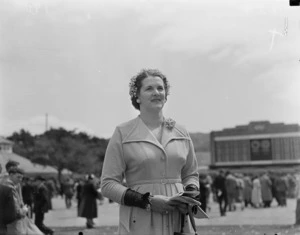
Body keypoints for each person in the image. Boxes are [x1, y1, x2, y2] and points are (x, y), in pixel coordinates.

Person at [101, 69, 199, 235]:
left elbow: (191, 174)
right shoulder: (123, 133)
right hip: (140, 220)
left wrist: (190, 195)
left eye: (160, 88)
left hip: (178, 220)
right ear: (137, 97)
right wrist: (147, 201)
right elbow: (108, 184)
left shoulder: (181, 132)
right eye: (149, 89)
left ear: (166, 96)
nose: (156, 93)